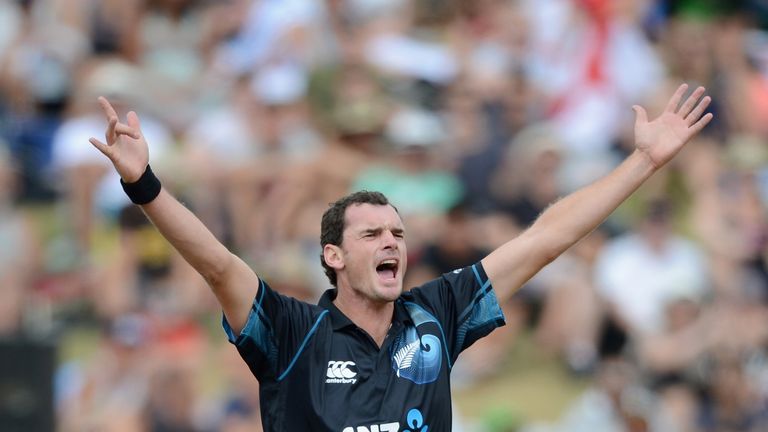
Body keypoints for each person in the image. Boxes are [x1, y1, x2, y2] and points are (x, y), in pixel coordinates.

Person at [88, 83, 712, 431]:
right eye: (371, 235)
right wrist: (144, 183)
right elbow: (218, 264)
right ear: (331, 255)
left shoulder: (436, 312)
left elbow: (543, 240)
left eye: (398, 232)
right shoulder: (290, 330)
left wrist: (644, 162)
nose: (392, 242)